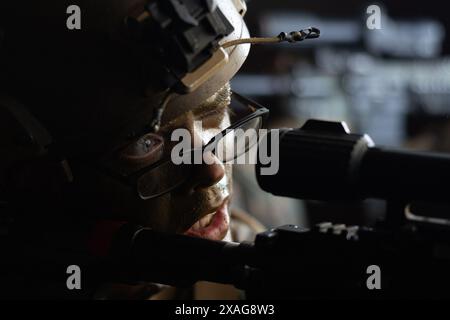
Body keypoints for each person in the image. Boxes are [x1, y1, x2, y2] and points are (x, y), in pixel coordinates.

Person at [0, 0, 268, 299]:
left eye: (214, 113)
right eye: (146, 144)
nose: (212, 169)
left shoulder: (255, 262)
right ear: (35, 176)